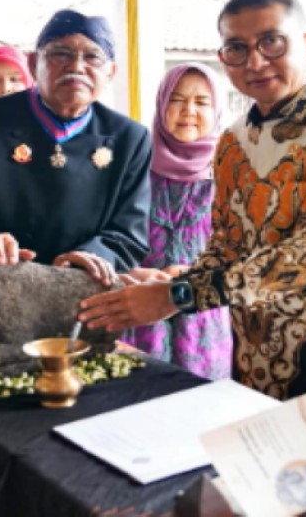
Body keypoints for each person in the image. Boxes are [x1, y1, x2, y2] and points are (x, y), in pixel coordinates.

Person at [78, 0, 306, 447]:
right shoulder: (234, 143)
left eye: (271, 42)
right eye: (237, 49)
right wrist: (161, 287)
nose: (255, 62)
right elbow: (227, 245)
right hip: (257, 364)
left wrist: (177, 294)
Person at [0, 9, 151, 286]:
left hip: (79, 293)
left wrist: (91, 255)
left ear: (110, 72)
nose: (76, 66)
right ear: (32, 63)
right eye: (60, 53)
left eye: (92, 57)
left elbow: (129, 231)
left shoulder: (130, 138)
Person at [123, 64, 233, 380]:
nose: (188, 111)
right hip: (140, 315)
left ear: (217, 111)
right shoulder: (134, 169)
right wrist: (133, 271)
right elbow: (115, 239)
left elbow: (245, 259)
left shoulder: (231, 175)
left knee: (199, 411)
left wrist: (191, 274)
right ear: (161, 105)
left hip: (203, 322)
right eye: (177, 99)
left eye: (201, 102)